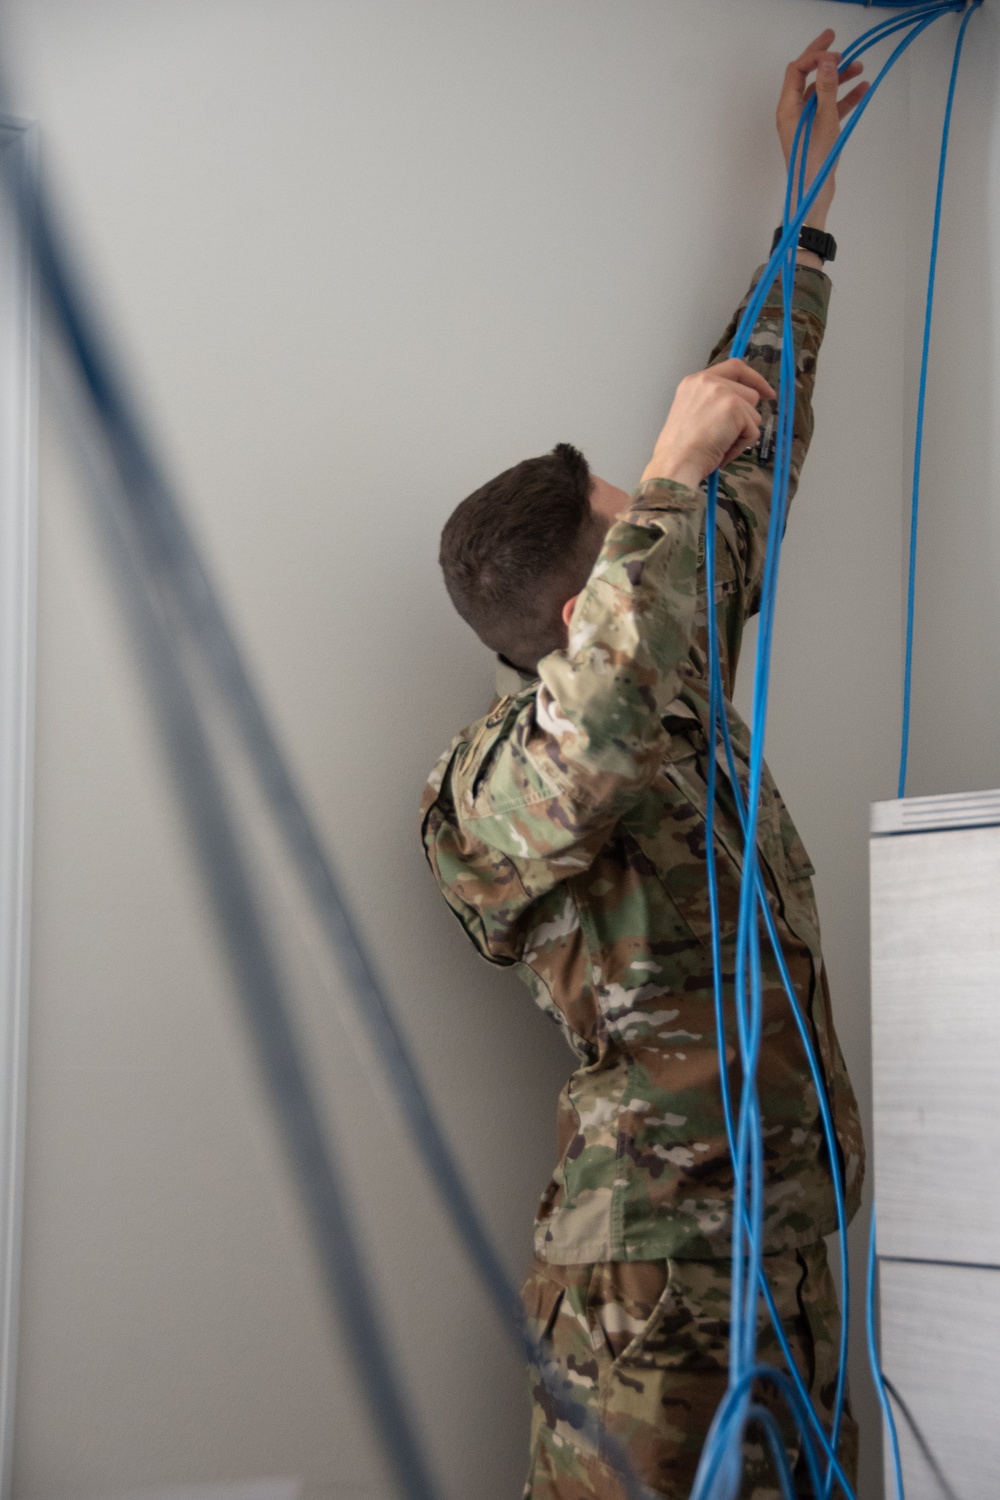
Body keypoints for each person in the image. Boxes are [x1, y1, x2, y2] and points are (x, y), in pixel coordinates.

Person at [421, 32, 868, 1500]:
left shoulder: (664, 673)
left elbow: (746, 474)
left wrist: (797, 214)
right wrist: (665, 476)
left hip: (791, 1253)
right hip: (647, 1308)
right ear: (576, 607)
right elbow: (599, 724)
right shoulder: (488, 796)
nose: (667, 530)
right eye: (637, 524)